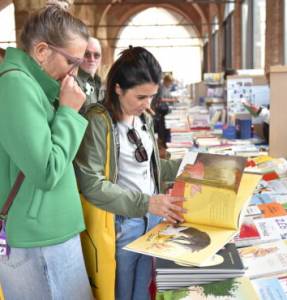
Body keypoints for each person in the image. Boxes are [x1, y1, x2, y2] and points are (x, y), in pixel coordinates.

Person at [75, 46, 186, 300]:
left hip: (152, 219)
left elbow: (151, 166)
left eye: (152, 96)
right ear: (118, 88)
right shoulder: (98, 121)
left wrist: (188, 168)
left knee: (143, 290)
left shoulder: (143, 118)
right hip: (122, 225)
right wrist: (145, 202)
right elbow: (92, 183)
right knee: (120, 292)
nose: (147, 104)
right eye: (140, 97)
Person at [0, 2, 93, 300]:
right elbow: (47, 170)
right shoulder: (15, 84)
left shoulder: (33, 85)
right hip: (37, 238)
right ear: (42, 51)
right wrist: (67, 111)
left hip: (48, 230)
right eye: (72, 61)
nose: (75, 72)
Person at [77, 37, 103, 114]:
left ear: (101, 58)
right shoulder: (73, 82)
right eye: (87, 54)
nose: (92, 59)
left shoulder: (98, 81)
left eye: (96, 55)